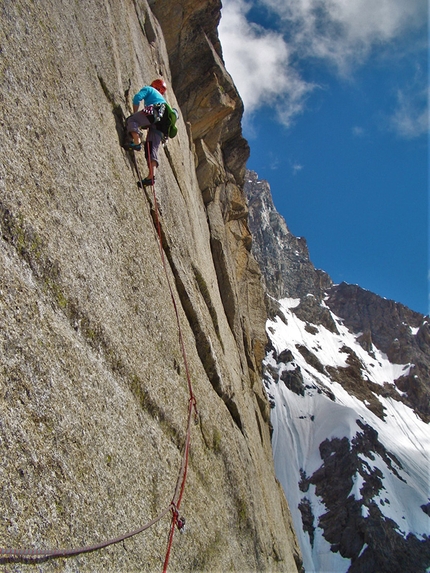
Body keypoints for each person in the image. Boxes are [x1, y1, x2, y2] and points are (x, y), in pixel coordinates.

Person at [125, 79, 168, 186]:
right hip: (162, 125)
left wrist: (134, 114)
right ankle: (151, 177)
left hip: (153, 112)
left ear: (153, 85)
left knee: (132, 120)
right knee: (151, 146)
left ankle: (136, 142)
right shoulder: (163, 102)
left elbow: (137, 98)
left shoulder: (148, 89)